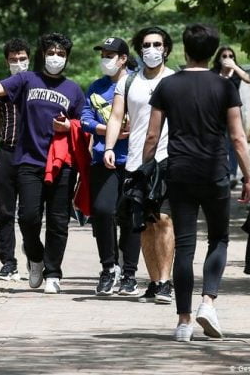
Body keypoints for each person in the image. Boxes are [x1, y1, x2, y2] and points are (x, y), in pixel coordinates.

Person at [142, 24, 250, 342]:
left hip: (180, 172)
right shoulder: (224, 87)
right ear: (213, 51)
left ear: (184, 49)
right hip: (215, 171)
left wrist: (145, 169)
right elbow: (237, 137)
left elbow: (152, 135)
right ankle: (208, 302)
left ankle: (183, 322)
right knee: (218, 239)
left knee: (185, 246)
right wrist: (248, 175)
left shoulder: (167, 85)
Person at [0, 33, 85, 294]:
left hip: (62, 163)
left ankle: (53, 272)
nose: (55, 58)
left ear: (67, 58)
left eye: (61, 54)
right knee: (28, 217)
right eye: (51, 53)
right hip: (28, 160)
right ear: (43, 55)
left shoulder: (74, 89)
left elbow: (83, 123)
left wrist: (69, 126)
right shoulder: (27, 79)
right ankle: (35, 256)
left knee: (58, 220)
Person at [104, 27, 176, 302]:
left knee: (164, 220)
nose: (152, 50)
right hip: (136, 163)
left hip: (166, 160)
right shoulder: (128, 82)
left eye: (157, 44)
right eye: (146, 45)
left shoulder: (174, 80)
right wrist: (109, 147)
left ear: (166, 49)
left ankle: (166, 281)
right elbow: (116, 116)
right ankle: (155, 282)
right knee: (145, 225)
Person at [80, 37, 139, 296]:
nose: (105, 59)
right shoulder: (97, 87)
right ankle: (108, 267)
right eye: (103, 55)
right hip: (103, 159)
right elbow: (85, 119)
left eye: (110, 55)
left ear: (123, 58)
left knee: (130, 217)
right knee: (103, 212)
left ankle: (129, 273)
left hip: (135, 160)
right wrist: (107, 130)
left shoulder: (138, 84)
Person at [0, 38, 31, 281]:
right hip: (7, 151)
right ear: (6, 62)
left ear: (29, 59)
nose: (18, 63)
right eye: (13, 59)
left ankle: (33, 251)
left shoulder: (37, 86)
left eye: (22, 59)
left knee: (29, 213)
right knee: (4, 211)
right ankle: (8, 263)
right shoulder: (0, 90)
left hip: (32, 155)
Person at [211, 46, 250, 188]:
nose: (227, 58)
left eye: (230, 56)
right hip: (216, 112)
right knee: (218, 143)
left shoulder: (236, 72)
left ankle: (233, 174)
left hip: (233, 113)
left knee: (234, 144)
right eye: (224, 56)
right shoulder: (214, 73)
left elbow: (248, 79)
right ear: (219, 59)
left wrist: (234, 66)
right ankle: (221, 173)